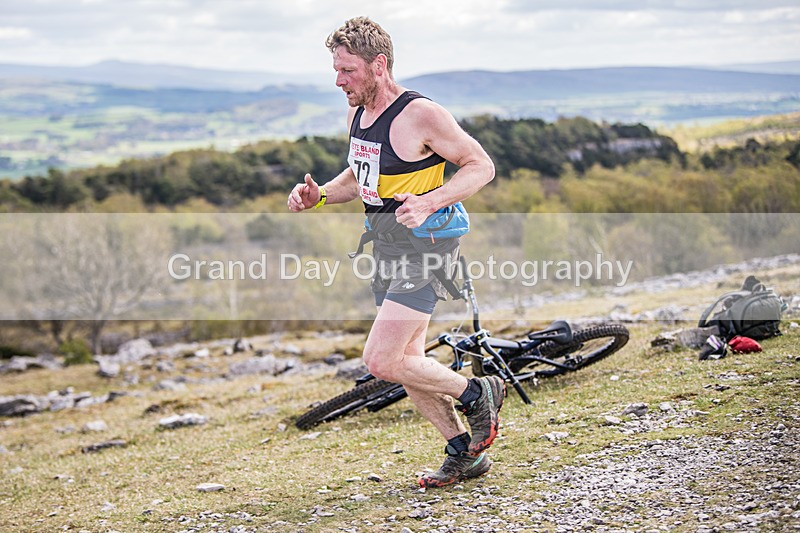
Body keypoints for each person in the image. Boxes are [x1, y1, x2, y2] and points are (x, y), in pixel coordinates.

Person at [287, 16, 502, 488]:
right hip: (386, 247)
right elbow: (358, 177)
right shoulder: (358, 114)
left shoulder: (421, 114)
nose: (338, 80)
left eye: (347, 70)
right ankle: (463, 451)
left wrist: (430, 201)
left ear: (378, 65)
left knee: (382, 360)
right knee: (407, 358)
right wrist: (319, 195)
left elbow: (479, 165)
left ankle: (478, 391)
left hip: (427, 247)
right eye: (336, 70)